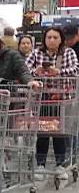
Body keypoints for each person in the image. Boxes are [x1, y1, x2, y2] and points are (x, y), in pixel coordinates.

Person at [26, 27, 78, 182]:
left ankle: (60, 164)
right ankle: (40, 165)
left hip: (62, 99)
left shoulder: (68, 52)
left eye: (55, 37)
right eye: (49, 37)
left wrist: (58, 72)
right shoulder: (36, 53)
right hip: (41, 99)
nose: (52, 40)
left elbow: (75, 69)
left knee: (60, 133)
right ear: (44, 39)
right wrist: (36, 71)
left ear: (61, 39)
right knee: (42, 131)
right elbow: (25, 68)